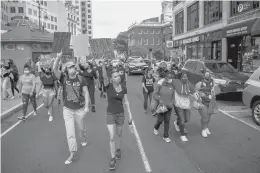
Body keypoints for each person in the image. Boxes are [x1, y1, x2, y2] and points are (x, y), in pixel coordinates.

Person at [53, 51, 90, 165]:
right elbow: (54, 70)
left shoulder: (81, 79)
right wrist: (58, 58)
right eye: (69, 68)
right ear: (67, 70)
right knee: (70, 133)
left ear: (75, 68)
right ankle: (72, 153)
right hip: (67, 110)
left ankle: (83, 137)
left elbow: (86, 92)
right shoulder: (63, 78)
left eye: (73, 67)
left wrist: (87, 107)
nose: (71, 69)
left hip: (79, 109)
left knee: (81, 129)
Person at [101, 60, 131, 170]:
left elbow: (126, 101)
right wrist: (103, 65)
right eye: (115, 76)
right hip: (110, 113)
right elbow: (104, 76)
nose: (118, 77)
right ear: (112, 78)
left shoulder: (123, 87)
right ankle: (113, 159)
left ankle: (118, 149)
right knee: (112, 136)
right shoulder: (108, 86)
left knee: (119, 134)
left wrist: (130, 115)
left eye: (118, 76)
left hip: (121, 114)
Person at [153, 63, 175, 143]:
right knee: (160, 120)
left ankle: (166, 136)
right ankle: (156, 127)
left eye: (171, 78)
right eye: (169, 78)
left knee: (167, 120)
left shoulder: (173, 85)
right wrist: (159, 100)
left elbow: (174, 95)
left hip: (169, 106)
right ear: (166, 78)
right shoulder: (160, 84)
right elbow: (154, 94)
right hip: (162, 106)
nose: (170, 80)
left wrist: (172, 102)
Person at [172, 73, 196, 142]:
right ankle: (182, 135)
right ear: (180, 77)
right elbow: (167, 81)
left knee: (187, 119)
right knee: (182, 120)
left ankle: (176, 122)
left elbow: (194, 92)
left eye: (186, 76)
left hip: (186, 105)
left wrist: (198, 98)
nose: (185, 77)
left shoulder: (189, 83)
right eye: (183, 76)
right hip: (178, 104)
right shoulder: (176, 82)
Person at [195, 70, 215, 138]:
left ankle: (206, 128)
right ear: (203, 76)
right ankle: (203, 129)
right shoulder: (199, 83)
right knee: (205, 117)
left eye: (208, 75)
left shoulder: (212, 83)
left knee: (208, 117)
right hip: (202, 102)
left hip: (210, 102)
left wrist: (214, 92)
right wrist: (201, 94)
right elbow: (196, 93)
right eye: (206, 75)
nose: (207, 76)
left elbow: (216, 91)